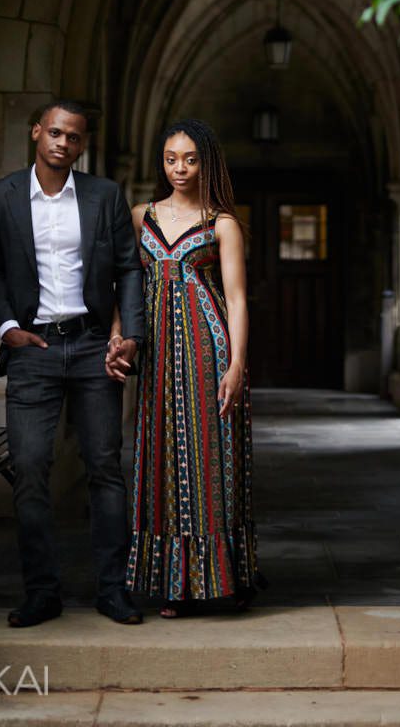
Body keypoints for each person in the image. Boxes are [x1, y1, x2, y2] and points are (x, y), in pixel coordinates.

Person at [0, 99, 145, 628]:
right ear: (37, 132)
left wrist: (130, 335)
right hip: (34, 350)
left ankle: (112, 589)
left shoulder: (104, 196)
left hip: (93, 344)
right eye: (54, 132)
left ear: (81, 144)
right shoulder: (1, 196)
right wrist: (8, 329)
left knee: (104, 469)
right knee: (30, 470)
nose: (62, 143)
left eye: (73, 137)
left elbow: (128, 268)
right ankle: (42, 592)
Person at [107, 117, 262, 616]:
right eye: (172, 158)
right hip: (158, 357)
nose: (180, 168)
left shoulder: (222, 223)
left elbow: (236, 300)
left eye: (190, 159)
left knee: (213, 459)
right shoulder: (140, 216)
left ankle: (224, 578)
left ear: (206, 162)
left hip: (207, 347)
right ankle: (175, 583)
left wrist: (237, 365)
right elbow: (125, 286)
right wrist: (117, 335)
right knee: (161, 460)